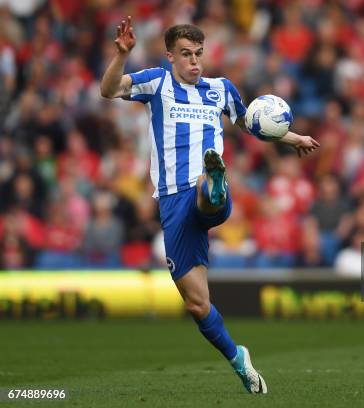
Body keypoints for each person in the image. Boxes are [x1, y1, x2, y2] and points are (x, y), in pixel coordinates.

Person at [100, 17, 320, 394]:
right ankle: (239, 359)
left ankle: (214, 182)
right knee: (198, 305)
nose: (195, 62)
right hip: (172, 204)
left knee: (206, 182)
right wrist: (121, 55)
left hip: (204, 193)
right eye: (186, 55)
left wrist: (296, 136)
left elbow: (254, 123)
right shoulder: (156, 81)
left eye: (199, 54)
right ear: (170, 56)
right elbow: (108, 90)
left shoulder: (220, 89)